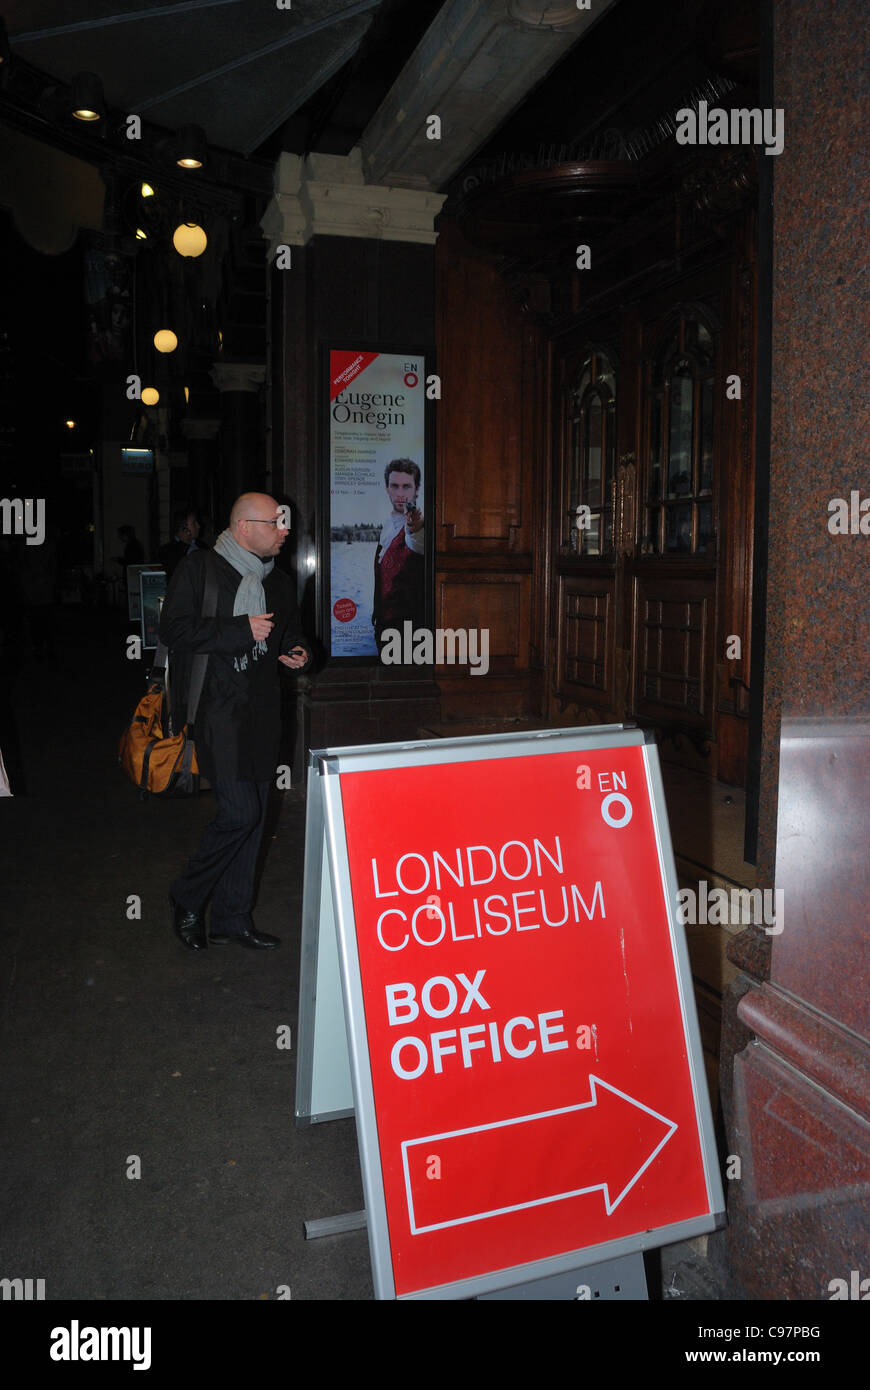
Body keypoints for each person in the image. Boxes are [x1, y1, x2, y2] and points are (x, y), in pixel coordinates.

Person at [158, 493, 311, 952]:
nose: (285, 530)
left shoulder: (279, 581)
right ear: (245, 527)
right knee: (239, 812)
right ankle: (186, 896)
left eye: (286, 523)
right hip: (216, 712)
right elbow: (174, 631)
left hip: (263, 712)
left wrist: (302, 654)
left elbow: (291, 633)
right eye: (276, 522)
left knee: (256, 817)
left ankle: (232, 917)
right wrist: (239, 631)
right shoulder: (200, 569)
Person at [372, 459, 424, 646]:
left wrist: (414, 527)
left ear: (416, 489)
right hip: (383, 628)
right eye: (395, 486)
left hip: (411, 633)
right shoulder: (387, 525)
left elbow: (417, 541)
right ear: (387, 488)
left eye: (406, 487)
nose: (400, 494)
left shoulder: (419, 528)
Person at [159, 507, 203, 581]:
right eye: (194, 523)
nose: (198, 526)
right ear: (184, 528)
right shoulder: (167, 552)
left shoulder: (203, 546)